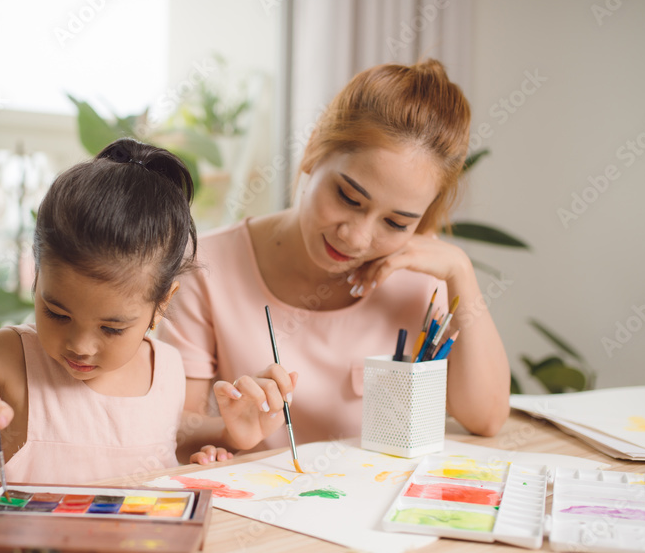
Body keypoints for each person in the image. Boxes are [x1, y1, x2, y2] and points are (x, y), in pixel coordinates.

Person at [0, 139, 273, 504]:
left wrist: (231, 437)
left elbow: (166, 438)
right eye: (56, 313)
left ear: (162, 305)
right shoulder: (7, 359)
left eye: (111, 328)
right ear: (36, 276)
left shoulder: (166, 368)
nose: (81, 346)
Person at [161, 59, 511, 463]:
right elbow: (173, 431)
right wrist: (232, 430)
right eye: (348, 197)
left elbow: (486, 418)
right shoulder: (206, 266)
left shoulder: (423, 276)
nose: (357, 237)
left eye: (396, 222)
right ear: (313, 150)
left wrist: (461, 273)